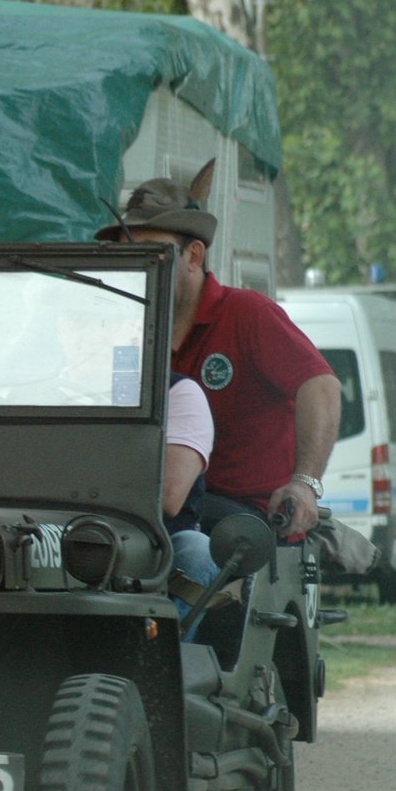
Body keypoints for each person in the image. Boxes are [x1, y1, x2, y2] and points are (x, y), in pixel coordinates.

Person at [95, 160, 340, 538]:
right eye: (126, 255)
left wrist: (305, 484)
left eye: (151, 255)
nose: (138, 268)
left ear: (194, 256)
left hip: (244, 517)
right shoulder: (119, 331)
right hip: (153, 510)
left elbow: (320, 385)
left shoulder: (246, 313)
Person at [164, 372, 223, 635]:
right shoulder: (49, 394)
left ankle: (160, 657)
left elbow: (169, 496)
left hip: (152, 544)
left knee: (198, 551)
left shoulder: (177, 392)